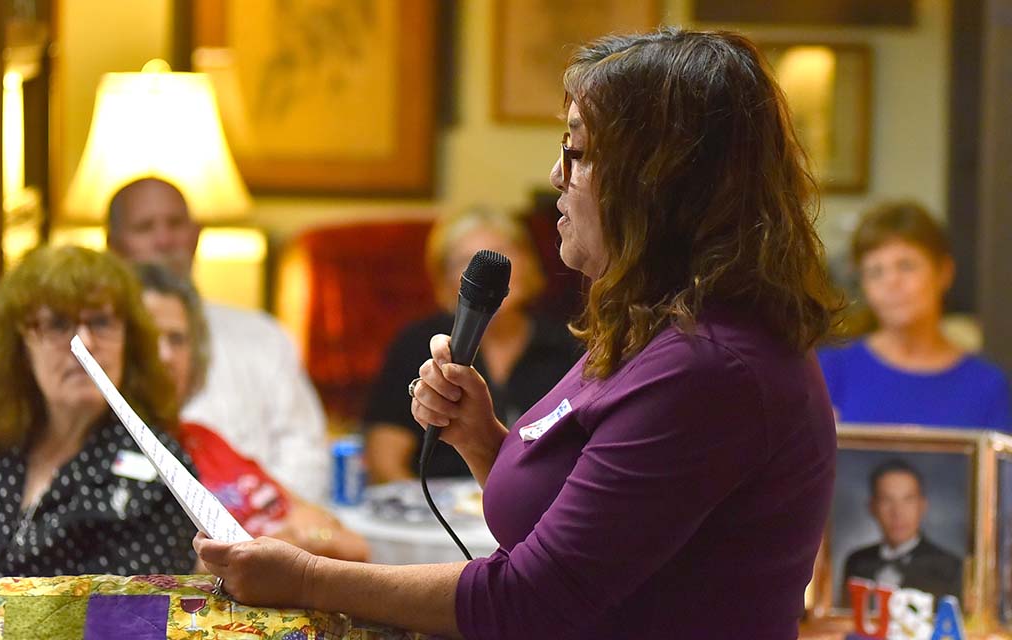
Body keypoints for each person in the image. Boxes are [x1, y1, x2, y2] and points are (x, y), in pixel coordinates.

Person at [195, 27, 840, 639]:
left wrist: (309, 577)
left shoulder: (709, 367)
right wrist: (481, 441)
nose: (557, 176)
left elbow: (533, 600)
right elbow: (583, 534)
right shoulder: (652, 328)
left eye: (579, 152)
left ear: (659, 186)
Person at [106, 177, 330, 503]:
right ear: (114, 245)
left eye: (175, 224)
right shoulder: (99, 347)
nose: (164, 240)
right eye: (145, 227)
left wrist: (262, 529)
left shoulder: (264, 337)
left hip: (268, 530)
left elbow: (306, 452)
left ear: (196, 235)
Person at [136, 263, 369, 562]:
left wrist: (296, 542)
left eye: (177, 339)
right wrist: (293, 541)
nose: (165, 356)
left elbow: (353, 545)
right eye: (148, 338)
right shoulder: (121, 456)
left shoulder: (204, 437)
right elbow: (189, 571)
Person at [0, 246, 196, 576]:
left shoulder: (162, 470)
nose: (83, 342)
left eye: (100, 322)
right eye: (58, 324)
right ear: (22, 345)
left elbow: (132, 618)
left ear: (129, 342)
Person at [363, 206, 581, 483]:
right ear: (444, 280)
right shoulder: (417, 345)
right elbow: (384, 461)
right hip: (435, 516)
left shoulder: (569, 347)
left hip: (540, 512)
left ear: (528, 264)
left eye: (501, 254)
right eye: (465, 260)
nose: (490, 278)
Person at [819, 201, 1011, 430]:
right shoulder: (829, 370)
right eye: (875, 272)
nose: (891, 283)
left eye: (906, 266)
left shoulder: (988, 386)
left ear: (944, 272)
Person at [841, 459, 962, 606]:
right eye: (887, 500)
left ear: (922, 505)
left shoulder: (949, 568)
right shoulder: (856, 562)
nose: (898, 512)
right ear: (872, 507)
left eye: (908, 500)